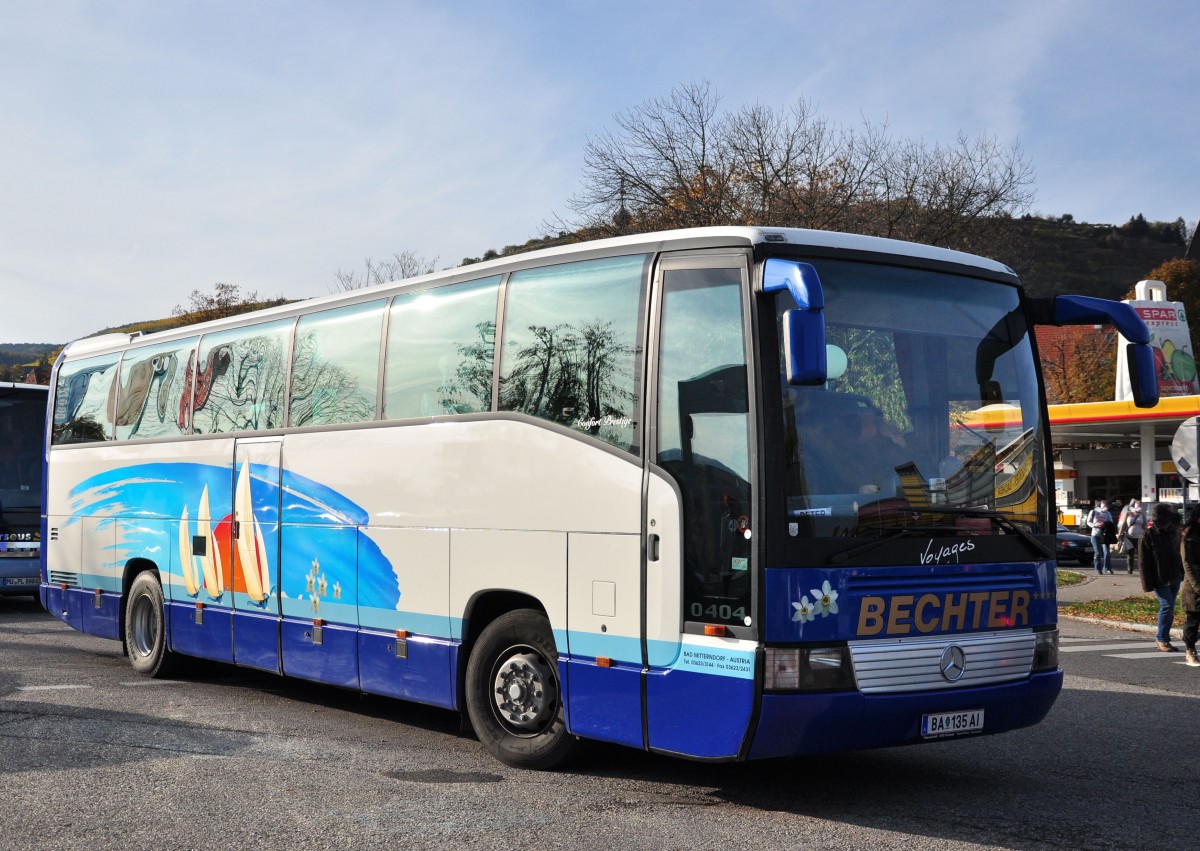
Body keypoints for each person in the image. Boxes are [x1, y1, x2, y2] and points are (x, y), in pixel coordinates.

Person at [1140, 502, 1184, 652]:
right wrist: (1147, 584)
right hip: (1159, 578)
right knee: (1167, 605)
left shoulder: (1174, 532)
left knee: (1170, 608)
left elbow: (1179, 553)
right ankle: (1162, 639)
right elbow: (1144, 562)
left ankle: (1164, 638)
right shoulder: (1148, 535)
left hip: (1174, 575)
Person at [1181, 507, 1200, 667]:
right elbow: (1187, 564)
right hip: (1194, 584)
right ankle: (1190, 651)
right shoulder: (1188, 537)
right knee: (1193, 619)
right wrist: (1197, 586)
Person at [1116, 498, 1146, 574]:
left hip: (1139, 537)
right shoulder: (1128, 514)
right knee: (1130, 554)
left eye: (1140, 504)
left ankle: (1141, 569)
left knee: (1140, 554)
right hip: (1129, 537)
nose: (1139, 505)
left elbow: (1144, 526)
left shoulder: (1142, 514)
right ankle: (1130, 569)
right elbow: (1123, 525)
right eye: (1137, 503)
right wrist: (1120, 533)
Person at [1086, 500, 1114, 575]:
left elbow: (1111, 523)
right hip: (1095, 534)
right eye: (1104, 505)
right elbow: (1088, 522)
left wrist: (1105, 524)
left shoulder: (1108, 513)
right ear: (1100, 505)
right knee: (1098, 553)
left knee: (1107, 552)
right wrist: (1095, 525)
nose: (1105, 507)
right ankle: (1098, 568)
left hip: (1104, 535)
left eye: (1106, 506)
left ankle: (1107, 568)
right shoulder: (1093, 512)